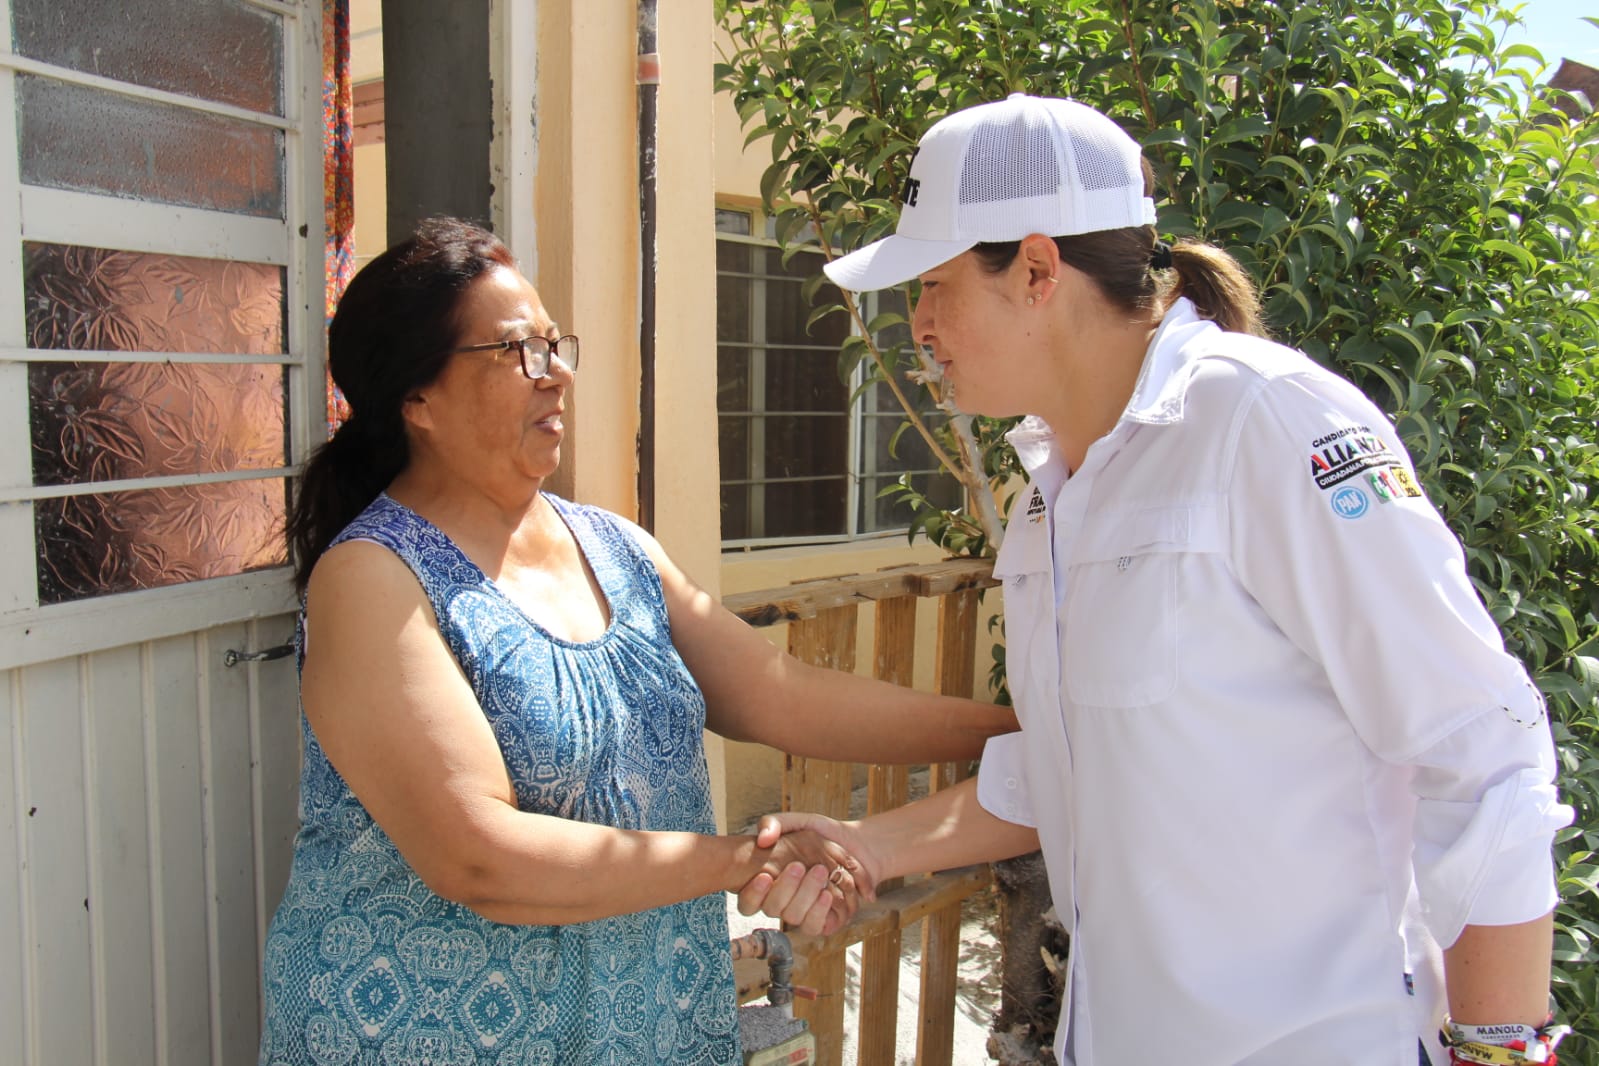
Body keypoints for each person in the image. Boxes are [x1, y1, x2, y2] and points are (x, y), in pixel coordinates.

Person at [742, 95, 1573, 1065]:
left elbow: (1483, 750)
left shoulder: (1265, 421)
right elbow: (1077, 769)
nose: (918, 324)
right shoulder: (1053, 491)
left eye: (934, 284)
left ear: (1038, 270)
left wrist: (1498, 1052)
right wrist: (869, 845)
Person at [257, 218, 1016, 1065]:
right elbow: (478, 858)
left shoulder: (614, 549)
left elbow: (782, 696)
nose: (557, 373)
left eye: (556, 345)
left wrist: (1015, 731)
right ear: (416, 401)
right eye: (518, 352)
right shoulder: (372, 579)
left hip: (647, 1026)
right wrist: (744, 861)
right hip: (432, 1036)